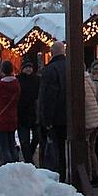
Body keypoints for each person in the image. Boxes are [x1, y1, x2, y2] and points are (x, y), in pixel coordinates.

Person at [39, 41, 68, 181]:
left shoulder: (50, 70)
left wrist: (46, 119)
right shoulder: (73, 66)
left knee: (57, 149)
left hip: (56, 117)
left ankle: (60, 176)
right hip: (72, 115)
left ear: (52, 52)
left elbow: (48, 97)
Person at [0, 60, 21, 165]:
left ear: (2, 71)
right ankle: (16, 165)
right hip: (13, 117)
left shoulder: (0, 84)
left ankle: (8, 167)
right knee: (12, 144)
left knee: (3, 147)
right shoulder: (16, 83)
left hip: (1, 118)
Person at [16, 58, 41, 164]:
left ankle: (29, 155)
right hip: (21, 113)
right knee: (24, 140)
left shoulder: (37, 79)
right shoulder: (18, 80)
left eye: (30, 67)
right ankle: (28, 161)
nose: (28, 69)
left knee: (37, 137)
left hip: (34, 113)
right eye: (26, 67)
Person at [84, 70, 98, 187]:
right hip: (95, 118)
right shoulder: (88, 80)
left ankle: (91, 175)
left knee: (87, 149)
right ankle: (94, 174)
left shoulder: (80, 82)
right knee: (91, 148)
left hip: (88, 119)